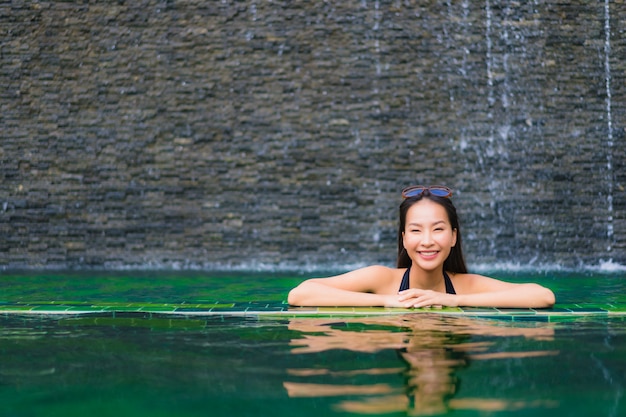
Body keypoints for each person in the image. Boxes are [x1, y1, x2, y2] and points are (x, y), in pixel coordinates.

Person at [288, 185, 556, 308]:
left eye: (438, 229)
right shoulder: (382, 280)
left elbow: (542, 296)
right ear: (404, 238)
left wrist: (454, 300)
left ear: (453, 237)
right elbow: (300, 294)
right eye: (416, 230)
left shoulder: (464, 285)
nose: (427, 240)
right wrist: (386, 301)